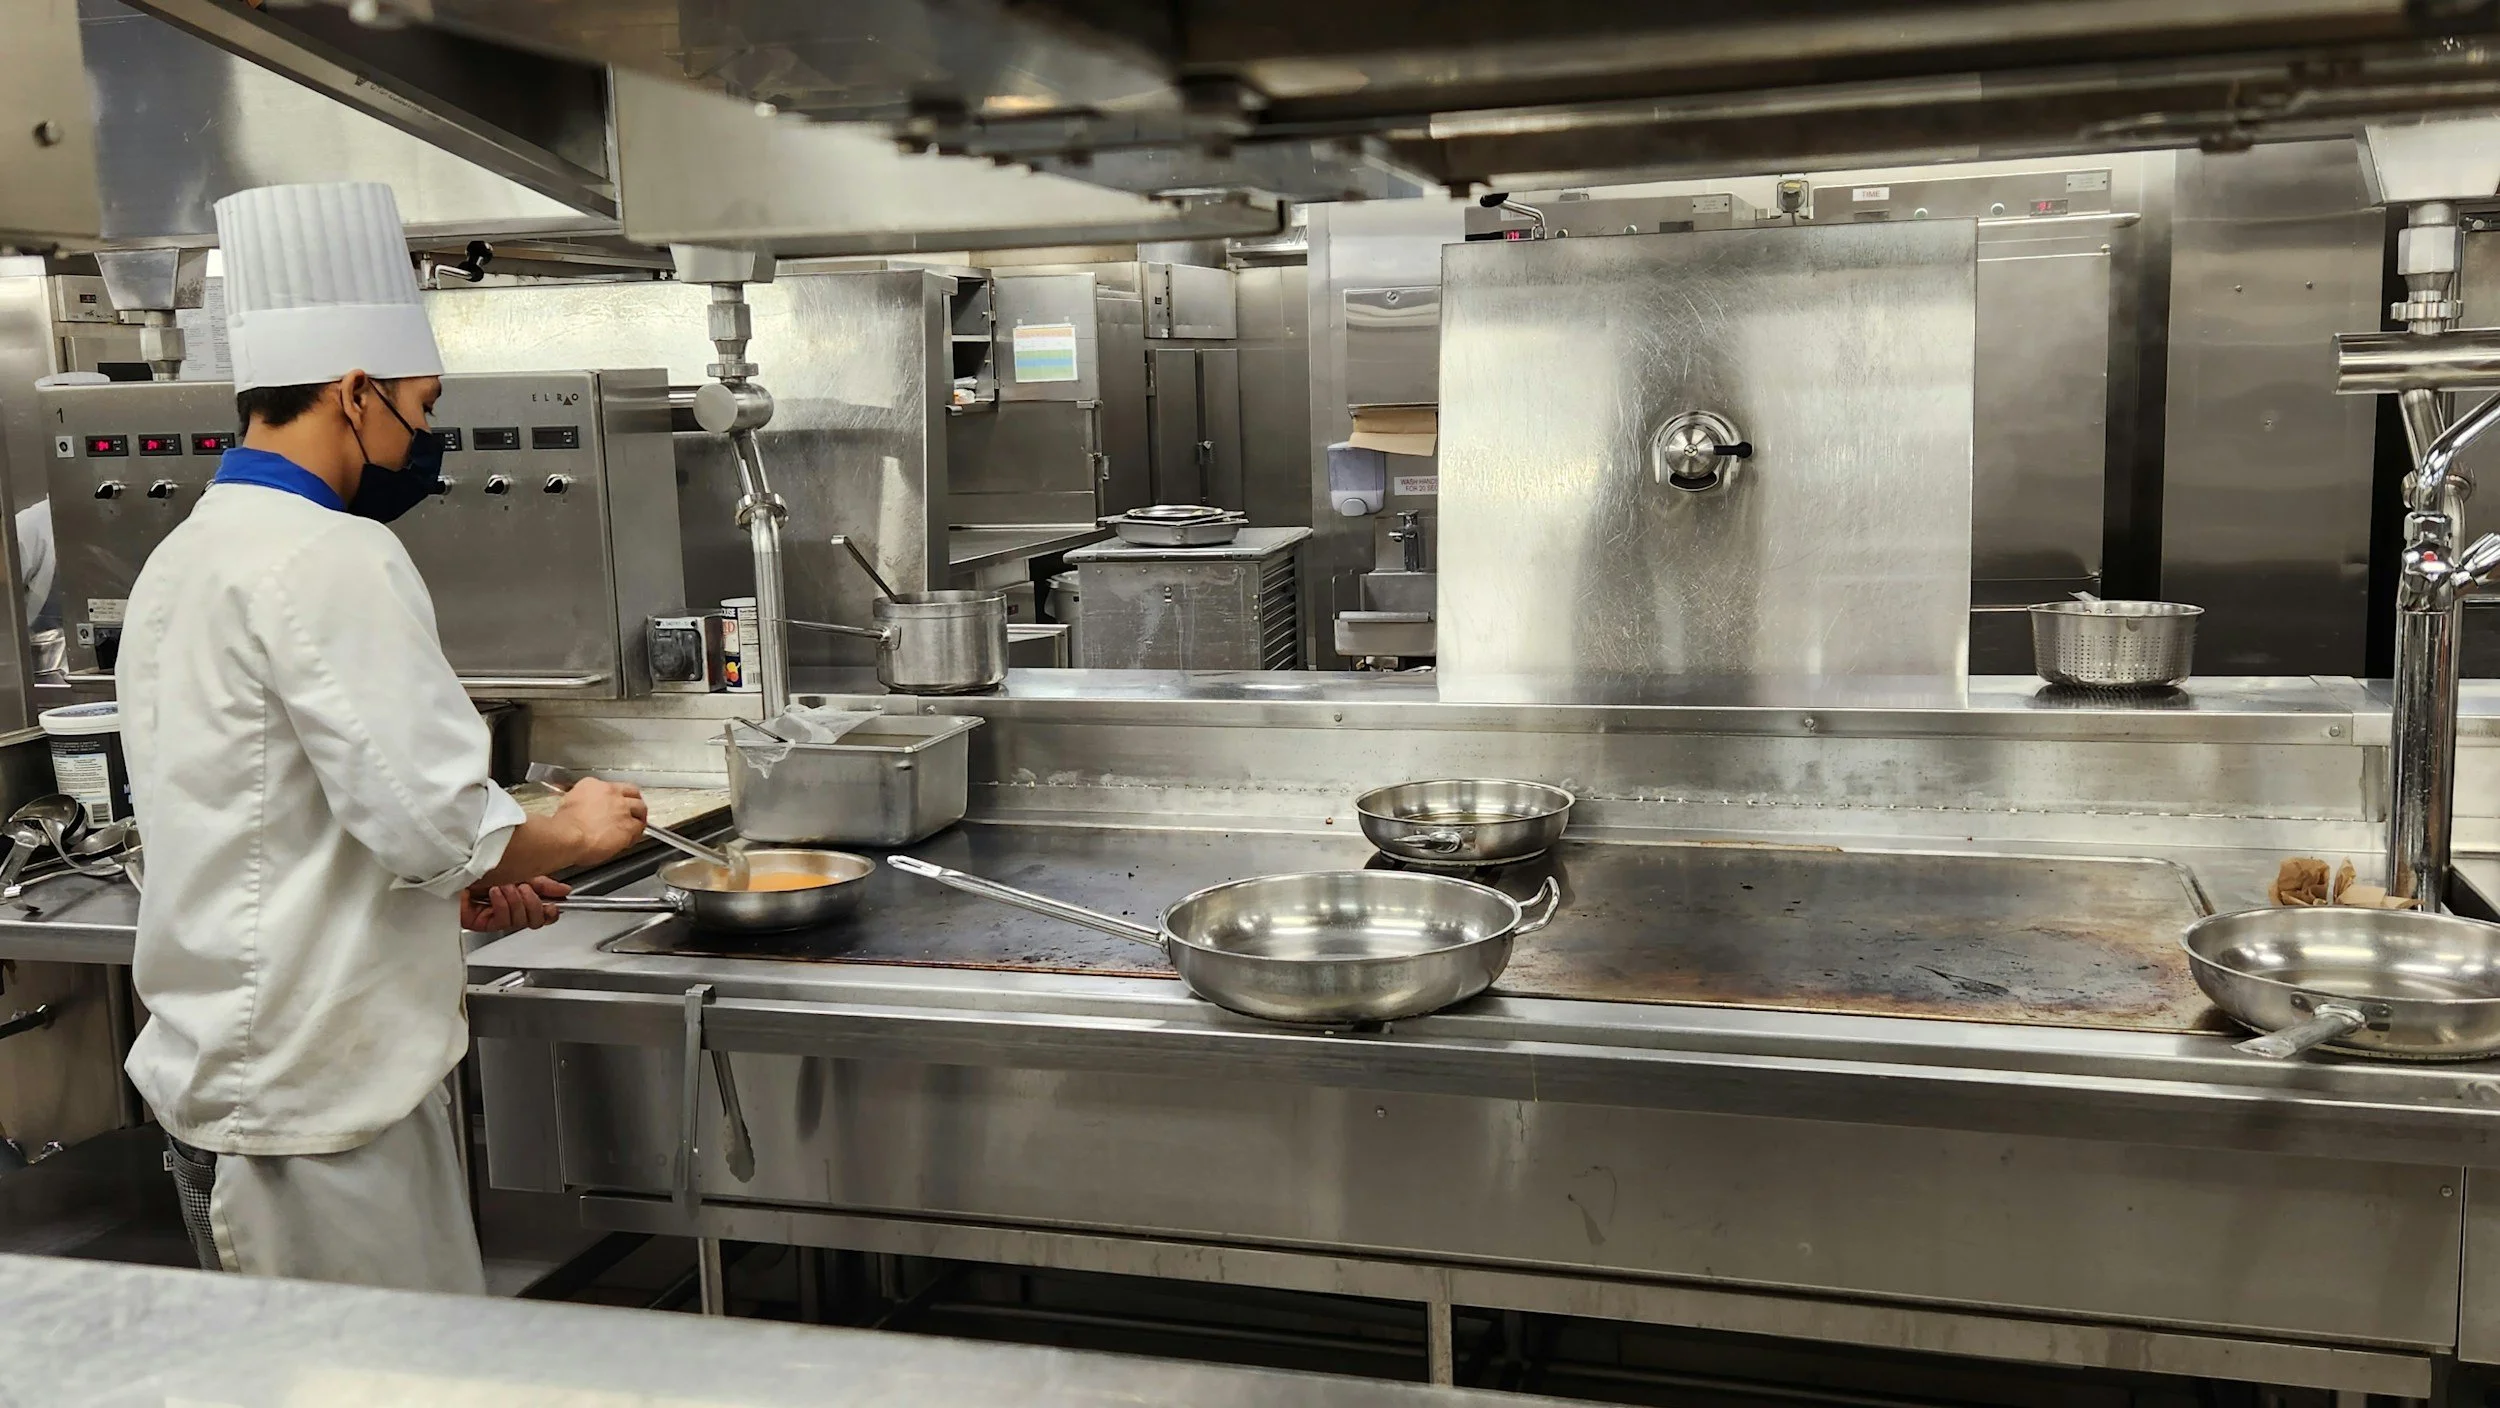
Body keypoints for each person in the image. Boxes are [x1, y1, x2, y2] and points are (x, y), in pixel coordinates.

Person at [117, 181, 649, 1293]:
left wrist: (431, 900)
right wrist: (574, 830)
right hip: (312, 1111)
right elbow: (439, 826)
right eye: (420, 404)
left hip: (246, 1079)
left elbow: (272, 819)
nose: (425, 437)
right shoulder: (330, 553)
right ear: (354, 392)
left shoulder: (192, 551)